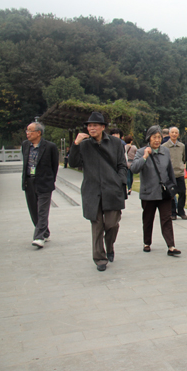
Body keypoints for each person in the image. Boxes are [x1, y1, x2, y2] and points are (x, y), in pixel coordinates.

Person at [69, 112, 127, 272]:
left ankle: (109, 246)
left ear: (103, 127)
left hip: (112, 189)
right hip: (92, 190)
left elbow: (122, 165)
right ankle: (99, 258)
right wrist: (75, 144)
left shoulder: (115, 143)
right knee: (97, 226)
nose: (91, 128)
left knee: (112, 224)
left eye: (95, 125)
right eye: (89, 125)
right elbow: (73, 163)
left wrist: (119, 181)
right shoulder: (84, 145)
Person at [131, 126, 181, 256]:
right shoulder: (141, 151)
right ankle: (147, 242)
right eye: (154, 137)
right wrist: (145, 156)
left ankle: (171, 246)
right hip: (148, 193)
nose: (157, 140)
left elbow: (170, 171)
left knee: (166, 219)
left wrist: (173, 189)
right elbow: (134, 169)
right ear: (149, 138)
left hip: (164, 193)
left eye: (159, 137)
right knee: (148, 219)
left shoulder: (165, 151)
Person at [21, 122, 59, 248]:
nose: (27, 133)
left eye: (30, 131)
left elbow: (54, 165)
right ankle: (45, 232)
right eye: (27, 130)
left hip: (44, 182)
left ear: (38, 133)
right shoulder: (25, 145)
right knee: (33, 211)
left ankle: (39, 237)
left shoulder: (50, 147)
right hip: (29, 182)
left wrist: (50, 181)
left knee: (42, 211)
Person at [162, 127, 187, 220]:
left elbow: (184, 158)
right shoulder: (164, 146)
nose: (174, 134)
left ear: (178, 134)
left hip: (180, 173)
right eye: (172, 132)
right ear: (169, 134)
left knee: (182, 193)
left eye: (176, 132)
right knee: (171, 194)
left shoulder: (182, 146)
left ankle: (181, 211)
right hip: (170, 174)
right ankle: (172, 212)